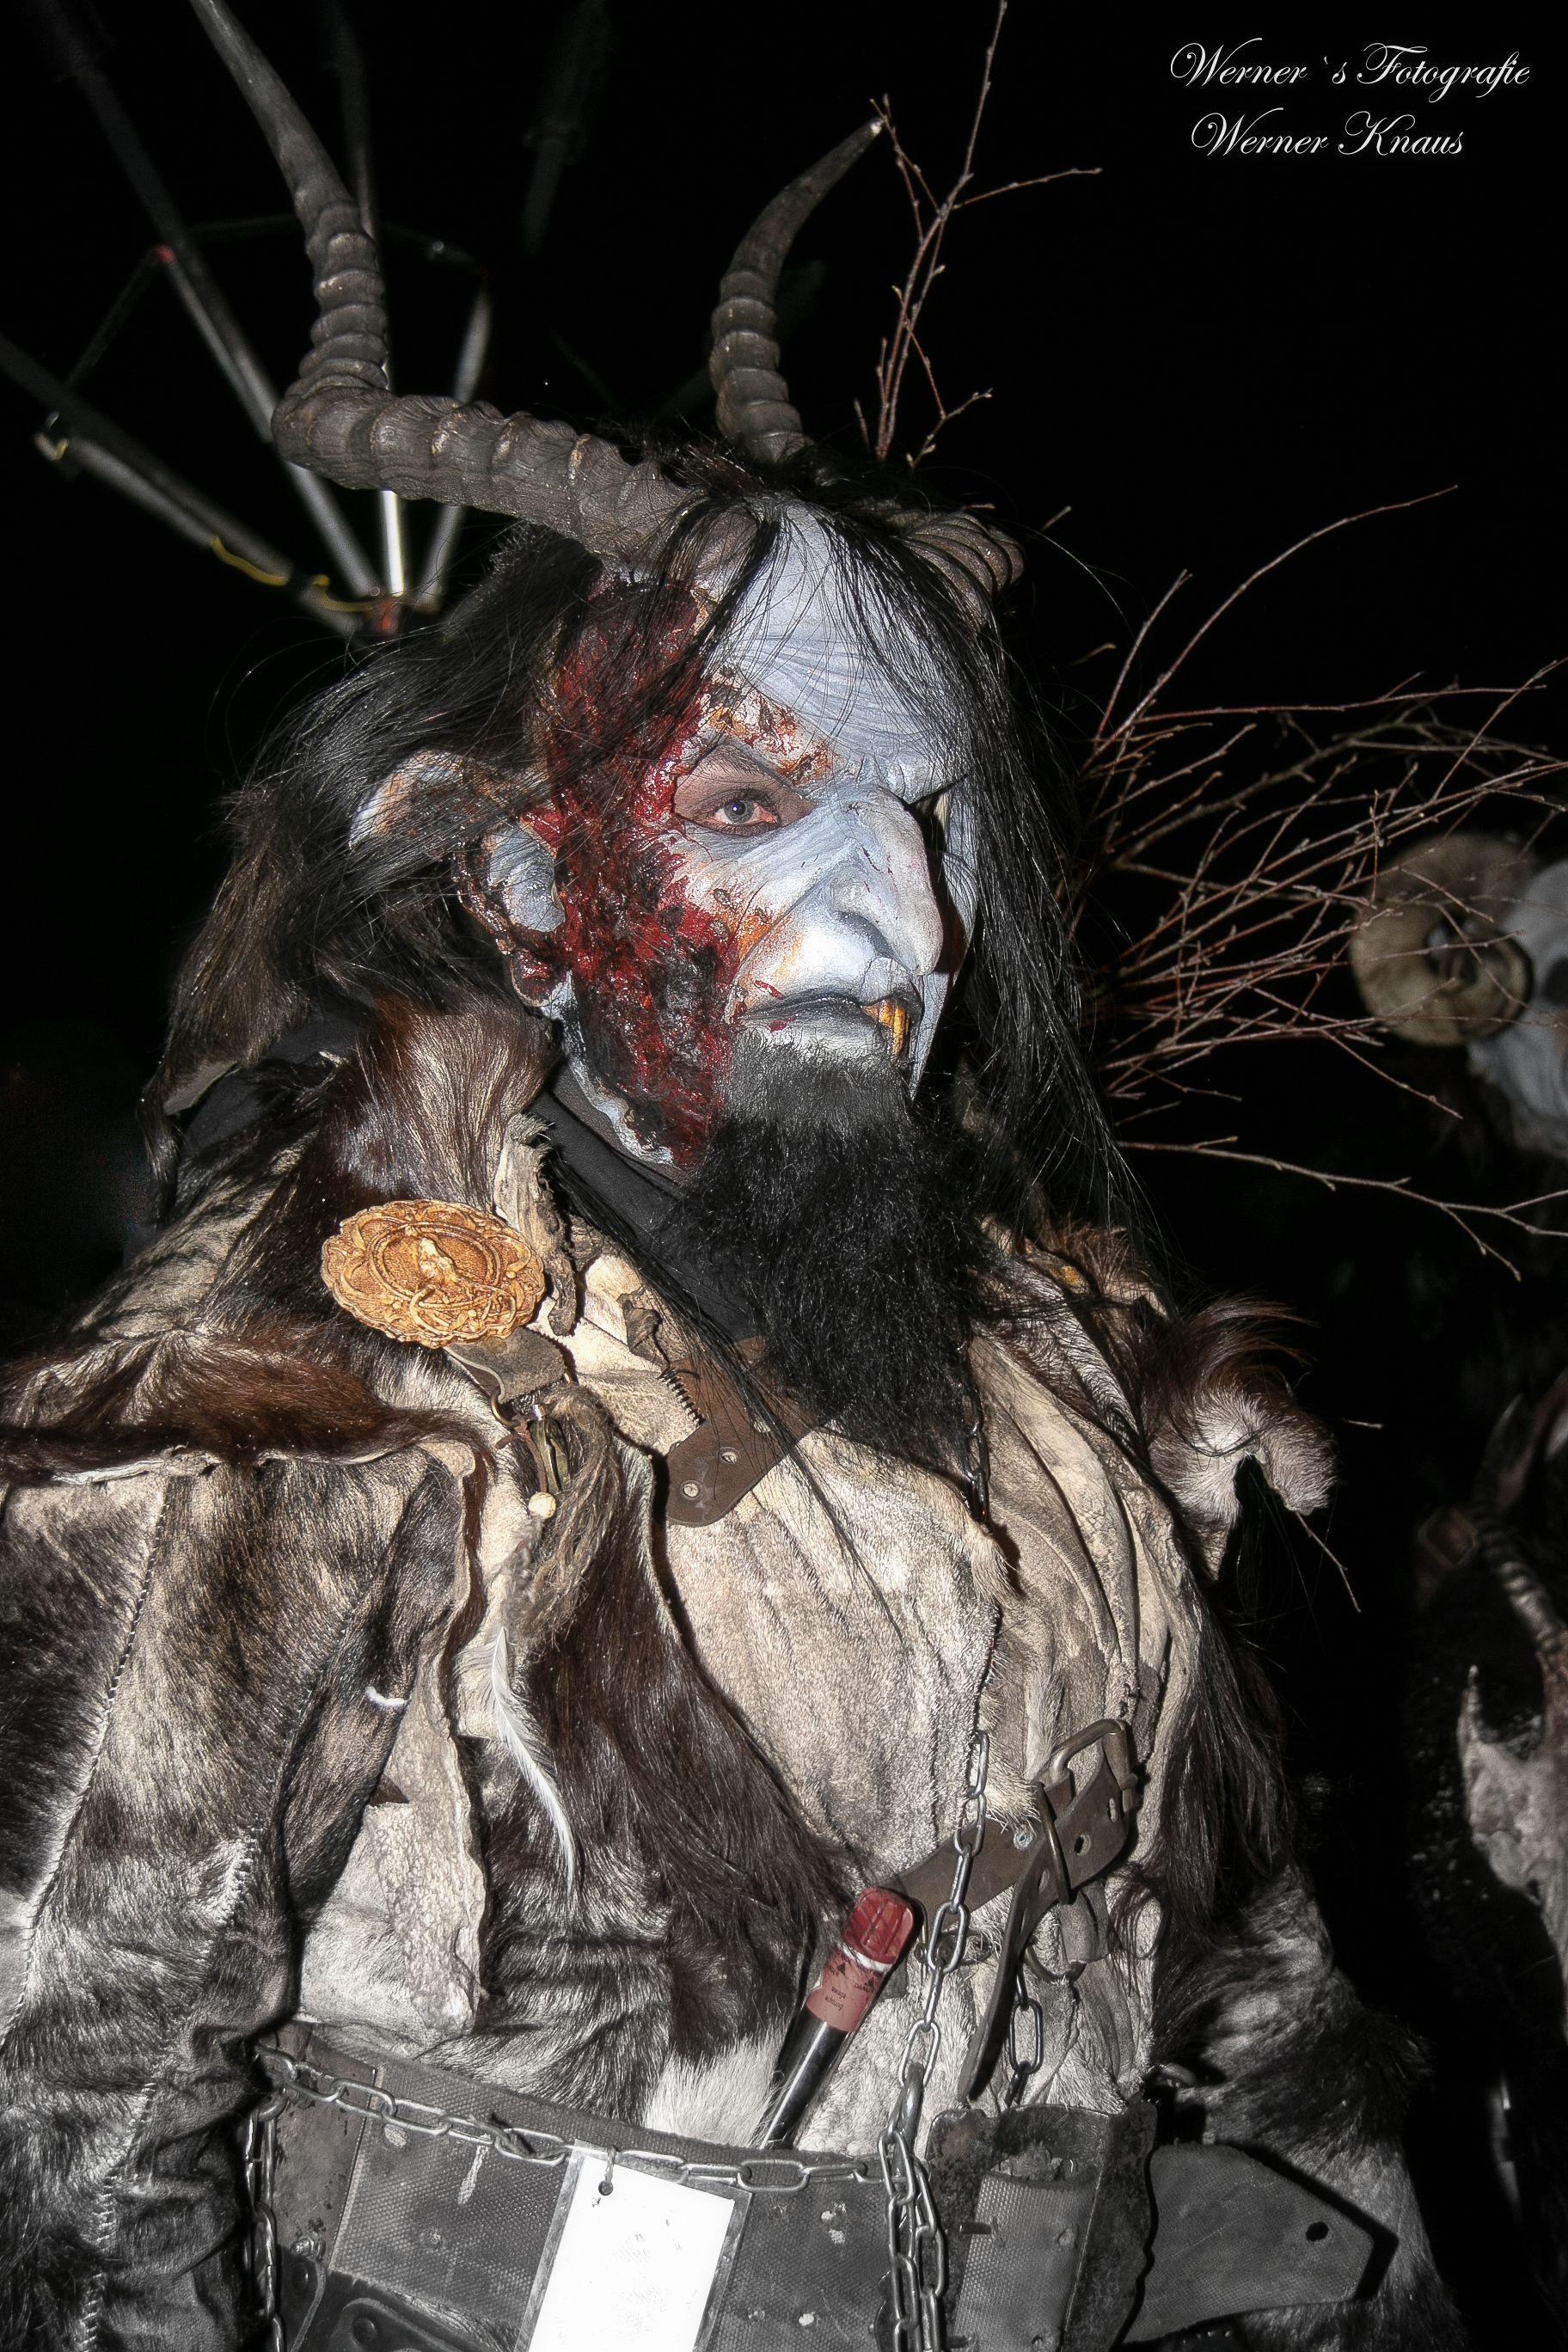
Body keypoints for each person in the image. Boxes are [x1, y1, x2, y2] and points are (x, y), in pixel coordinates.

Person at [0, 4, 1466, 2346]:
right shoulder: (299, 1382)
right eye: (754, 803)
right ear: (516, 885)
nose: (903, 921)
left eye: (932, 823)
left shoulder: (1077, 1386)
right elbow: (71, 2119)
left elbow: (1251, 1995)